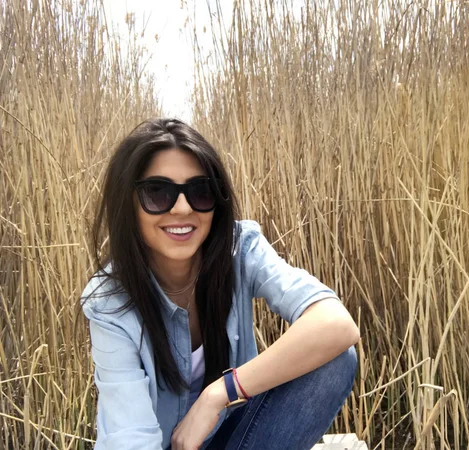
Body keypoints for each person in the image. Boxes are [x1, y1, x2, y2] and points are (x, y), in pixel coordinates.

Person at [80, 118, 360, 450]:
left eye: (200, 191)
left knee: (336, 359)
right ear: (128, 204)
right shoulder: (110, 303)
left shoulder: (240, 250)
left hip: (233, 434)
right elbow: (131, 439)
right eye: (157, 193)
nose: (182, 208)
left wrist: (219, 393)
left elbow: (336, 324)